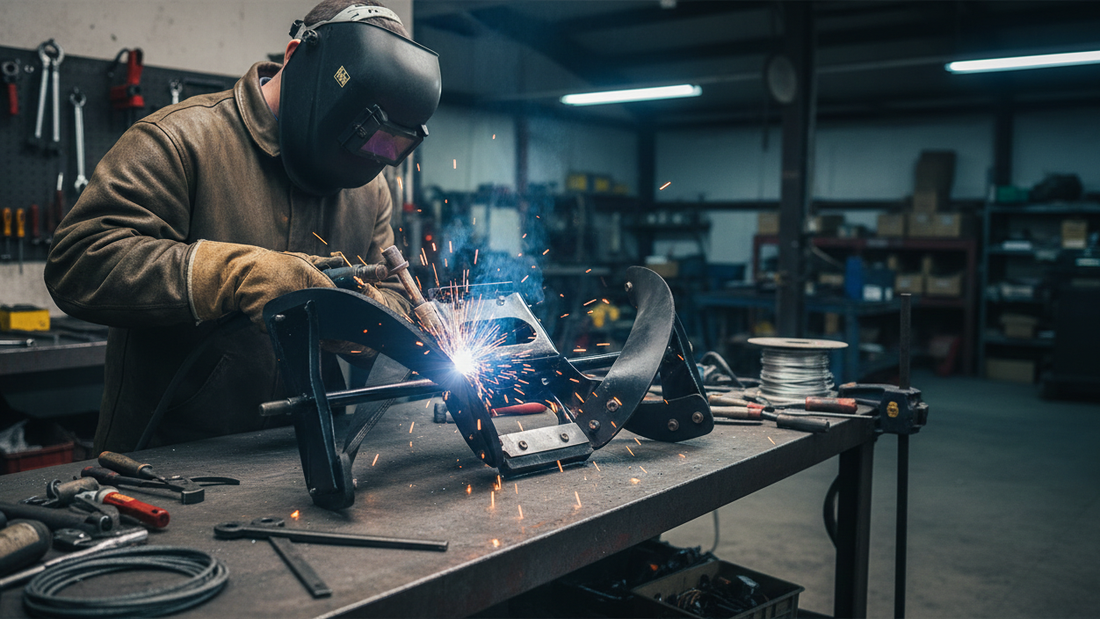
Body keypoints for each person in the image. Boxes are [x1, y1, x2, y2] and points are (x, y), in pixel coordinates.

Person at [44, 0, 441, 453]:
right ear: (297, 58)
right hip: (171, 456)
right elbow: (78, 262)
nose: (368, 154)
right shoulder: (181, 140)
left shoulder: (370, 189)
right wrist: (233, 274)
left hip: (311, 451)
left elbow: (394, 301)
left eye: (386, 142)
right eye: (359, 130)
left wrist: (355, 317)